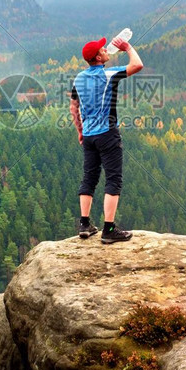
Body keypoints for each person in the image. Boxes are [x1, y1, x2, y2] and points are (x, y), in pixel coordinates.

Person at [69, 35, 143, 243]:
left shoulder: (78, 78)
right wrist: (127, 46)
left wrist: (80, 131)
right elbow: (137, 65)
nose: (106, 50)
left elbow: (73, 107)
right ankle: (108, 230)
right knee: (113, 179)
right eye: (103, 49)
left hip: (90, 136)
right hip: (108, 134)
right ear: (98, 57)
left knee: (89, 178)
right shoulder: (109, 74)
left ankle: (85, 225)